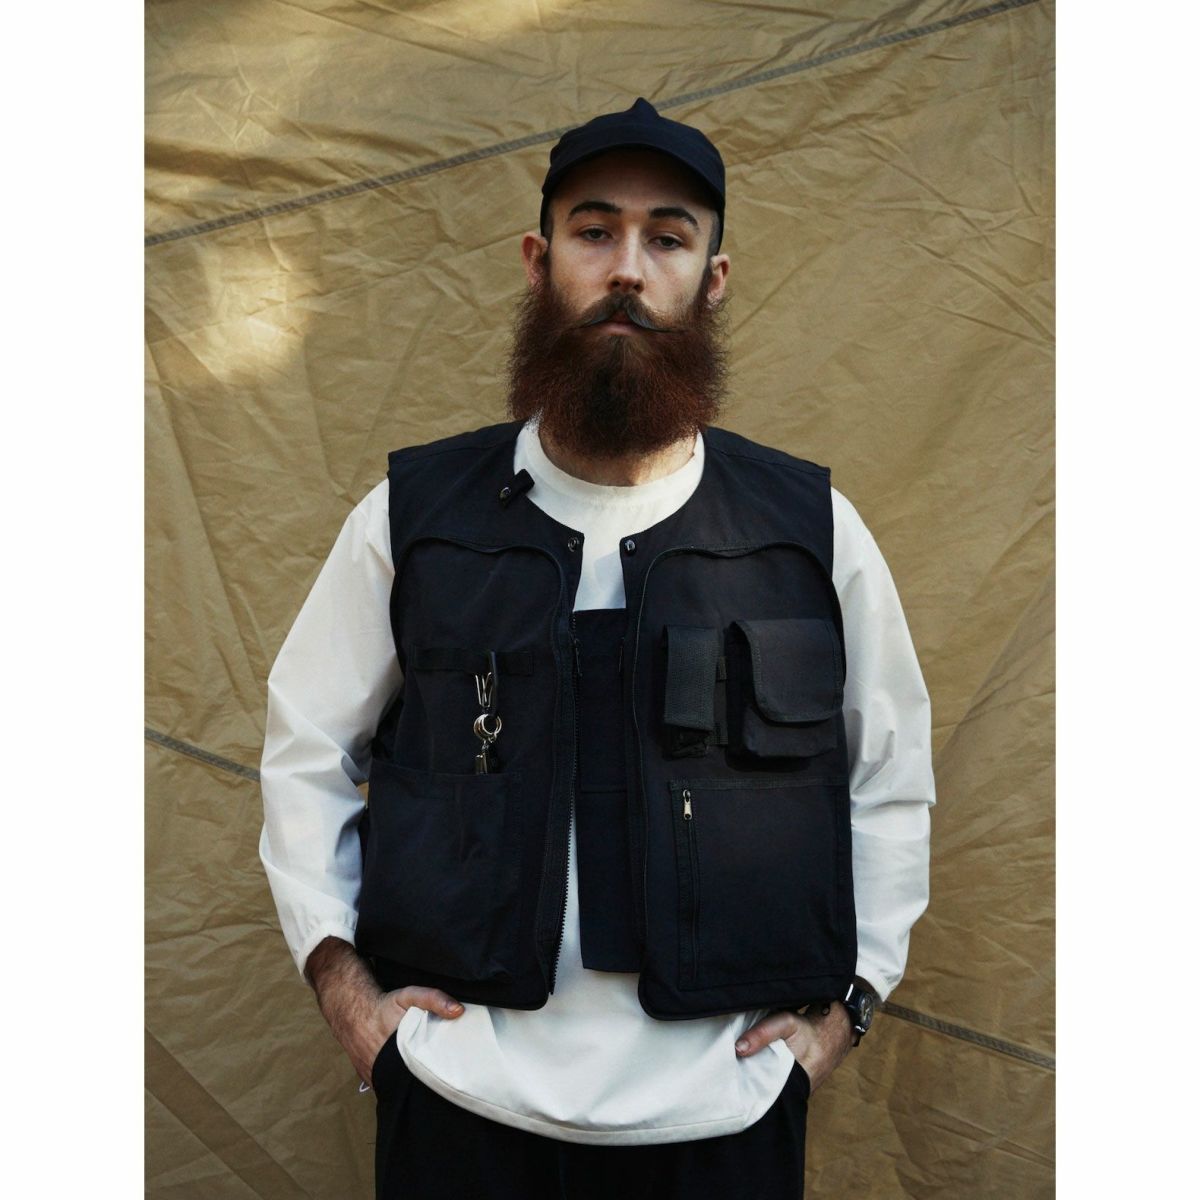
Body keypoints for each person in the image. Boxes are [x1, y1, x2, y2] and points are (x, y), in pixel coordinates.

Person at [260, 97, 935, 1199]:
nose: (628, 268)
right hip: (459, 1108)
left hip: (726, 1117)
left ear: (713, 279)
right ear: (539, 262)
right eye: (594, 230)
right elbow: (305, 753)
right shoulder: (414, 518)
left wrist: (845, 1015)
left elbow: (891, 781)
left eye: (668, 238)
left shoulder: (809, 532)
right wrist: (350, 999)